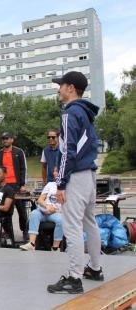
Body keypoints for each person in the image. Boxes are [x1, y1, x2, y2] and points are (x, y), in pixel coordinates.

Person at [47, 71, 103, 294]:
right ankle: (95, 269)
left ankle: (74, 278)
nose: (58, 89)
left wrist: (60, 183)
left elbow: (68, 151)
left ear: (70, 88)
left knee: (71, 227)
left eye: (60, 85)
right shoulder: (86, 113)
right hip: (89, 174)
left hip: (76, 176)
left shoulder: (70, 114)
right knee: (90, 222)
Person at [0, 132, 28, 241]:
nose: (5, 140)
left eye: (7, 138)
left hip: (17, 185)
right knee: (6, 210)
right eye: (3, 138)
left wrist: (22, 184)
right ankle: (8, 233)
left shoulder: (18, 152)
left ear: (12, 140)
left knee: (21, 210)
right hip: (4, 186)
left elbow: (23, 169)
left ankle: (25, 231)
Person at [20, 169, 63, 251]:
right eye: (53, 171)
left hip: (56, 212)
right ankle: (32, 243)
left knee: (61, 220)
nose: (54, 173)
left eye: (56, 171)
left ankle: (55, 247)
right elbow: (40, 199)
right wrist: (46, 206)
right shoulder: (50, 184)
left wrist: (54, 209)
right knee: (34, 213)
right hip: (44, 210)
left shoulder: (67, 186)